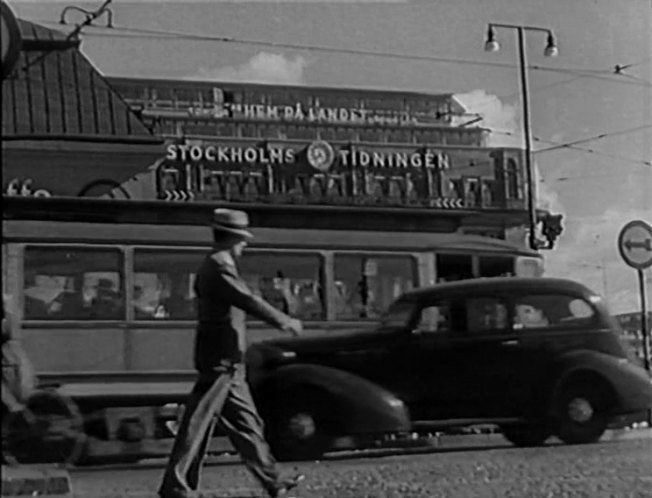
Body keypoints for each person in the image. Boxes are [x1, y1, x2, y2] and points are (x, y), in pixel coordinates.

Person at [158, 209, 305, 498]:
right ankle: (176, 486)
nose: (245, 245)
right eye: (242, 239)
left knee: (248, 424)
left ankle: (272, 481)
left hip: (229, 361)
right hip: (219, 361)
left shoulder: (219, 264)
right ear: (231, 238)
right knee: (197, 424)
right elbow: (248, 299)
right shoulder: (218, 266)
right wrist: (284, 320)